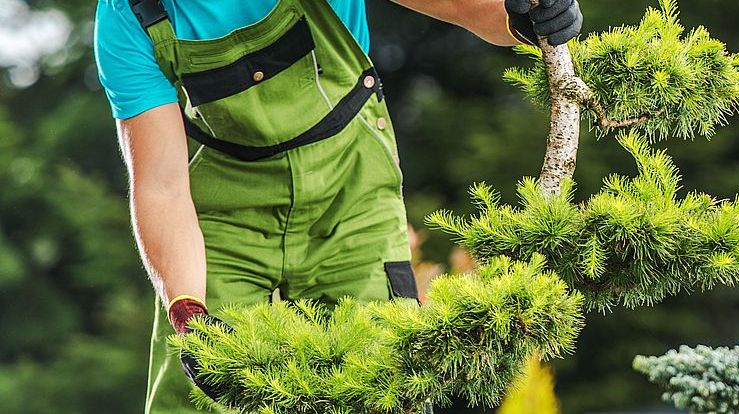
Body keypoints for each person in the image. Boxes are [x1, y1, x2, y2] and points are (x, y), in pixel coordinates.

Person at [92, 0, 582, 411]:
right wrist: (186, 307)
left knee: (383, 377)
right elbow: (160, 186)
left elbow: (463, 7)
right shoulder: (129, 17)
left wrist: (519, 14)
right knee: (196, 391)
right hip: (225, 223)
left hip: (351, 197)